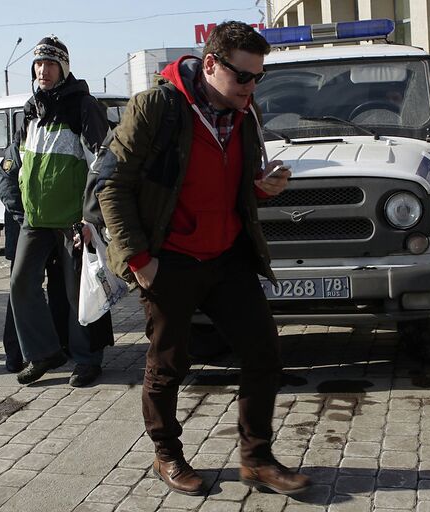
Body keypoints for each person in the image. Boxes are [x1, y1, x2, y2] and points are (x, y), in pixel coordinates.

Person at [98, 21, 311, 496]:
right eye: (243, 77)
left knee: (263, 352)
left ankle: (256, 459)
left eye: (259, 77)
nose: (251, 87)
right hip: (169, 259)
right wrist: (139, 260)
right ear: (211, 64)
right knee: (169, 364)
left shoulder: (243, 111)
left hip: (227, 255)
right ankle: (166, 455)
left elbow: (235, 182)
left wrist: (263, 185)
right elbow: (111, 184)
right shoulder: (157, 107)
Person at [11, 35, 113, 387]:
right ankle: (43, 353)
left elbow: (104, 163)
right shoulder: (29, 109)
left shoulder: (83, 106)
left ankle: (87, 359)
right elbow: (15, 163)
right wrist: (16, 202)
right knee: (20, 283)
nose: (43, 70)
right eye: (38, 64)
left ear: (64, 68)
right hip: (35, 219)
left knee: (77, 292)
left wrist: (91, 218)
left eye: (51, 63)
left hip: (74, 220)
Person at [0, 129, 70, 373]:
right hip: (24, 230)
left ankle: (58, 346)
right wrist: (27, 219)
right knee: (20, 290)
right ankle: (15, 354)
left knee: (60, 288)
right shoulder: (20, 141)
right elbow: (7, 186)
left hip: (52, 230)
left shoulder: (57, 140)